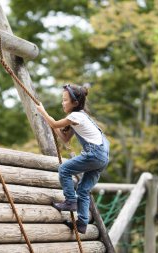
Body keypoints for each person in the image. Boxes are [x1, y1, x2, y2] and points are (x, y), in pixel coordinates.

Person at [36, 84, 110, 234]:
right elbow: (65, 138)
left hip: (94, 153)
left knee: (64, 169)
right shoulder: (80, 117)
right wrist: (52, 125)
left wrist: (43, 112)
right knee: (83, 190)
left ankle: (70, 201)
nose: (62, 103)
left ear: (75, 103)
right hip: (102, 157)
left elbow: (55, 123)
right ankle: (82, 223)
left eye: (65, 100)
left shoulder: (76, 116)